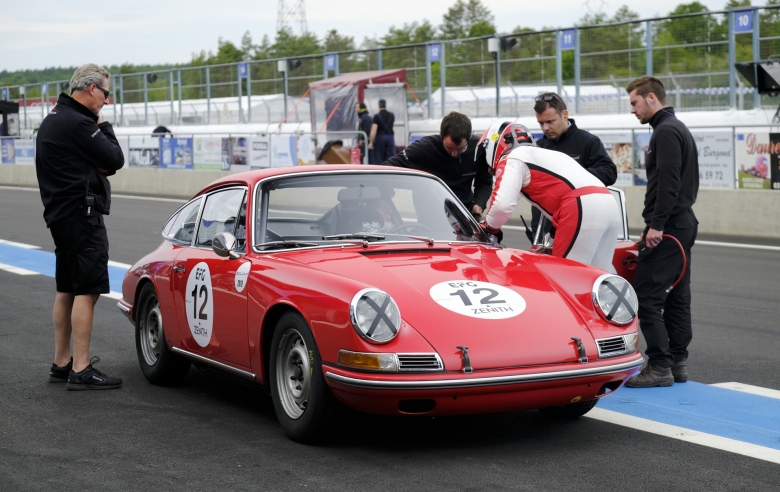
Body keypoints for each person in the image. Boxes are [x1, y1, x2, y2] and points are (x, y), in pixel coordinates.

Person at [35, 63, 125, 391]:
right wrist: (104, 127)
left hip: (61, 216)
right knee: (87, 290)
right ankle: (82, 368)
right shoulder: (79, 123)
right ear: (91, 89)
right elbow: (114, 159)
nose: (107, 100)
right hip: (81, 216)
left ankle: (62, 362)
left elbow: (102, 163)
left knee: (66, 290)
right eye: (106, 93)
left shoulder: (55, 118)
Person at [623, 76, 699, 388]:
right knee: (678, 295)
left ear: (651, 97)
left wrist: (655, 225)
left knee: (646, 296)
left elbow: (668, 183)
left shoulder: (666, 131)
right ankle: (678, 362)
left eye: (634, 102)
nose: (632, 110)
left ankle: (660, 366)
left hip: (668, 226)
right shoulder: (676, 127)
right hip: (682, 222)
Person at [477, 122, 621, 272]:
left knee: (566, 278)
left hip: (581, 207)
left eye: (485, 164)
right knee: (601, 276)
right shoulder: (550, 154)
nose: (489, 169)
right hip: (608, 202)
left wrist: (489, 228)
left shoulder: (511, 158)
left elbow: (502, 206)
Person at [532, 92, 617, 236]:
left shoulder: (588, 141)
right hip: (543, 229)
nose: (545, 128)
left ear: (564, 115)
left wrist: (572, 175)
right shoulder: (537, 147)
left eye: (550, 121)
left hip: (579, 226)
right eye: (541, 123)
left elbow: (609, 172)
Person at [381, 111, 492, 219]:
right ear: (442, 137)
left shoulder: (479, 149)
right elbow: (387, 167)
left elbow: (484, 182)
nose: (454, 153)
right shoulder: (424, 148)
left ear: (468, 140)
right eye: (449, 148)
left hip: (464, 214)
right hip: (430, 216)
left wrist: (479, 203)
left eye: (459, 149)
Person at [368, 99, 395, 164]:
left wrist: (371, 142)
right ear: (385, 105)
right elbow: (392, 126)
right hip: (390, 137)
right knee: (391, 157)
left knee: (378, 157)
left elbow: (373, 130)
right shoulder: (392, 115)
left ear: (379, 106)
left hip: (380, 137)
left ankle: (378, 171)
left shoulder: (376, 116)